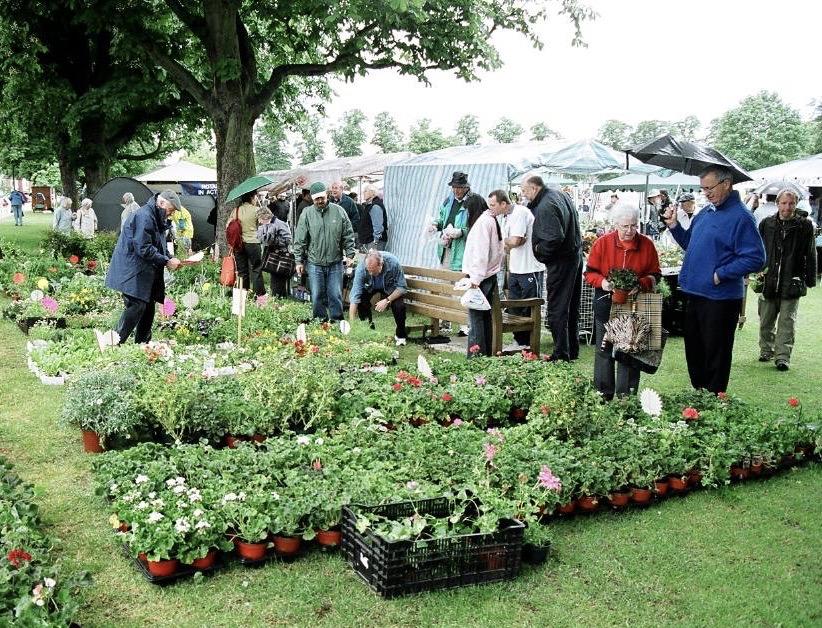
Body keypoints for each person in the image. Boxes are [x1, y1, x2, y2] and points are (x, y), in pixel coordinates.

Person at [663, 165, 766, 394]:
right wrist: (673, 226)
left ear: (727, 184)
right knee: (695, 351)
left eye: (709, 188)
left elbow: (757, 258)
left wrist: (721, 274)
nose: (706, 193)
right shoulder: (707, 212)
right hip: (695, 293)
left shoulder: (741, 216)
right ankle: (700, 396)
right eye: (703, 189)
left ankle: (714, 400)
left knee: (715, 355)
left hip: (720, 299)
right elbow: (690, 243)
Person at [584, 205, 661, 399]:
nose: (629, 231)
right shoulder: (602, 243)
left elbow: (655, 274)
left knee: (629, 351)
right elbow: (590, 272)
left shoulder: (647, 245)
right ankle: (603, 393)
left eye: (634, 226)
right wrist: (604, 283)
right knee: (604, 349)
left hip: (634, 305)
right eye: (625, 226)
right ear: (615, 224)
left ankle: (625, 397)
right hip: (606, 302)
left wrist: (641, 284)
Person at [105, 190, 182, 344]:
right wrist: (166, 261)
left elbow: (159, 245)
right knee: (137, 305)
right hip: (132, 270)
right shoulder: (145, 216)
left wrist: (170, 258)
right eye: (170, 210)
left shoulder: (156, 217)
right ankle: (112, 342)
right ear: (161, 203)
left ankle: (143, 344)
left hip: (141, 270)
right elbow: (144, 248)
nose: (171, 214)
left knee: (148, 306)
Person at [757, 189, 817, 371]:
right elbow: (758, 250)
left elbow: (811, 252)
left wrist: (810, 279)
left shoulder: (805, 225)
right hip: (769, 278)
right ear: (777, 204)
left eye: (791, 203)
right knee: (766, 319)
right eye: (784, 203)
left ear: (796, 204)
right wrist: (755, 272)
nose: (787, 207)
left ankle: (782, 357)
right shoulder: (766, 224)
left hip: (792, 279)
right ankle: (766, 350)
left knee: (787, 321)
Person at [525, 175, 583, 361]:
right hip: (574, 255)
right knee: (571, 307)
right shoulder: (560, 195)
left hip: (562, 260)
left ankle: (561, 353)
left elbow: (553, 238)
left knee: (557, 308)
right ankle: (571, 349)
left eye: (524, 190)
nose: (523, 194)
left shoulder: (545, 205)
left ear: (534, 188)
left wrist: (539, 251)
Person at [293, 181, 356, 321]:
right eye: (316, 199)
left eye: (322, 197)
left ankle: (337, 320)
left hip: (335, 262)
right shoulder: (307, 214)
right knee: (316, 295)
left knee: (335, 294)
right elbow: (300, 239)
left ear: (327, 195)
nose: (320, 201)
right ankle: (320, 321)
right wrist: (298, 260)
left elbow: (348, 234)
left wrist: (350, 254)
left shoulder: (339, 211)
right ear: (312, 198)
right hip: (315, 262)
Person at [492, 189, 545, 347]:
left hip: (529, 267)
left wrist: (504, 241)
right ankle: (519, 340)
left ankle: (529, 343)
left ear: (503, 203)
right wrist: (506, 242)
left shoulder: (520, 212)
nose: (491, 208)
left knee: (529, 307)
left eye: (493, 205)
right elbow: (508, 243)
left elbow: (515, 241)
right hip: (514, 268)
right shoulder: (504, 217)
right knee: (514, 307)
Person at [460, 193, 505, 357]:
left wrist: (475, 279)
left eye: (467, 211)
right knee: (484, 316)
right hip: (489, 275)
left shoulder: (482, 223)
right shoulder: (490, 220)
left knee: (476, 318)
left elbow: (480, 253)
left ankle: (476, 354)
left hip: (481, 277)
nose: (466, 215)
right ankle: (484, 353)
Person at [427, 171, 487, 272]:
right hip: (446, 249)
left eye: (459, 187)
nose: (456, 190)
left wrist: (461, 232)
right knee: (444, 283)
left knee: (460, 284)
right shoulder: (449, 201)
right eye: (454, 187)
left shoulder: (476, 201)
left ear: (466, 187)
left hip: (465, 253)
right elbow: (443, 221)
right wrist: (435, 225)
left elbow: (482, 228)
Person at [348, 250, 408, 345]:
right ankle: (368, 331)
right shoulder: (361, 268)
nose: (371, 274)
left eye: (373, 271)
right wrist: (352, 324)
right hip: (371, 286)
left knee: (399, 306)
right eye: (369, 271)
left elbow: (402, 287)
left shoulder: (393, 263)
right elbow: (355, 296)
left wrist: (387, 300)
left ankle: (400, 336)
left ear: (381, 265)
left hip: (390, 288)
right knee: (361, 301)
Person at [233, 191, 266, 297]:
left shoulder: (236, 210)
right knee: (256, 269)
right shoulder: (256, 210)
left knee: (242, 271)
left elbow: (228, 225)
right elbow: (265, 222)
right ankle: (259, 298)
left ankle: (242, 298)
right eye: (256, 197)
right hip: (253, 243)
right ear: (252, 197)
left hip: (239, 243)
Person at [257, 205, 292, 297]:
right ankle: (276, 297)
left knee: (278, 279)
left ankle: (279, 298)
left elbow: (288, 239)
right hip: (271, 254)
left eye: (259, 219)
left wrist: (275, 240)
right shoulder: (266, 225)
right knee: (274, 278)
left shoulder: (280, 223)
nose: (259, 221)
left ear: (264, 216)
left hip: (280, 256)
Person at [358, 185, 388, 251]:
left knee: (374, 260)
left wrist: (375, 242)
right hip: (370, 241)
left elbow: (378, 227)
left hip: (375, 242)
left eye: (365, 191)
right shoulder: (371, 205)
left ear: (372, 193)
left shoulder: (375, 206)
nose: (363, 193)